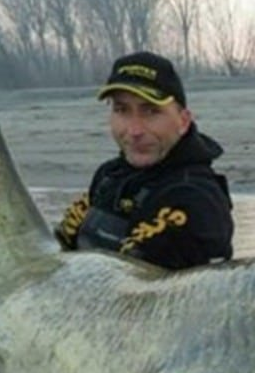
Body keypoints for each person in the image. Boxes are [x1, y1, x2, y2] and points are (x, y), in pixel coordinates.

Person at [55, 51, 234, 269]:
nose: (134, 130)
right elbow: (59, 249)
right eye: (122, 110)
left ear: (183, 121)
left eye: (151, 111)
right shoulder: (107, 176)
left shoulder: (198, 200)